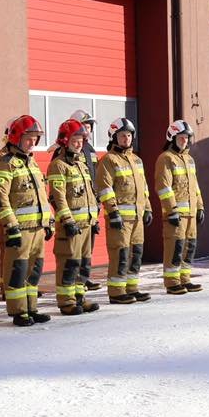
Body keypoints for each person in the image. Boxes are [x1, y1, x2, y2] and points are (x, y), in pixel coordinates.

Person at [0, 116, 54, 327]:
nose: (32, 142)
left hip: (37, 227)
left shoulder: (31, 162)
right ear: (17, 137)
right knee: (17, 270)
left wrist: (49, 221)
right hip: (20, 229)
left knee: (34, 271)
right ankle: (18, 312)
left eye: (35, 138)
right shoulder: (5, 164)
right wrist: (11, 225)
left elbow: (42, 196)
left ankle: (31, 308)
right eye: (29, 138)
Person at [47, 119, 101, 315]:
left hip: (86, 224)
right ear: (64, 141)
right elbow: (57, 196)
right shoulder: (58, 165)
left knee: (83, 264)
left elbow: (90, 193)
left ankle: (80, 297)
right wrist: (67, 220)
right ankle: (66, 301)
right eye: (75, 140)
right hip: (71, 226)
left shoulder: (81, 164)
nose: (79, 144)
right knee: (69, 263)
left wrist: (94, 218)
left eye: (81, 140)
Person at [95, 117, 151, 304]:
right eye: (121, 135)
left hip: (137, 218)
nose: (126, 139)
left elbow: (143, 188)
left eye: (128, 135)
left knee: (136, 253)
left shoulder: (137, 160)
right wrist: (112, 212)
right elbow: (105, 188)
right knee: (120, 253)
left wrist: (148, 208)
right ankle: (117, 292)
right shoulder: (108, 161)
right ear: (113, 137)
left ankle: (132, 288)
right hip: (120, 219)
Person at [155, 119, 204, 291]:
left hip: (190, 213)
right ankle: (172, 282)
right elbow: (163, 187)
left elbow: (195, 186)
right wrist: (172, 210)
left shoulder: (189, 159)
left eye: (186, 138)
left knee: (189, 247)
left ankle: (185, 278)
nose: (184, 141)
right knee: (174, 248)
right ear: (172, 138)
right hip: (176, 215)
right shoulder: (166, 159)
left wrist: (200, 207)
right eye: (181, 137)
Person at [68, 109, 103, 292]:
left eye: (89, 126)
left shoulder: (90, 150)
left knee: (88, 246)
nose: (88, 130)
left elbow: (94, 177)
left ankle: (84, 278)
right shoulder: (65, 149)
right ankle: (73, 279)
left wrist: (98, 201)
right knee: (73, 248)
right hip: (74, 208)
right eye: (85, 126)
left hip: (90, 206)